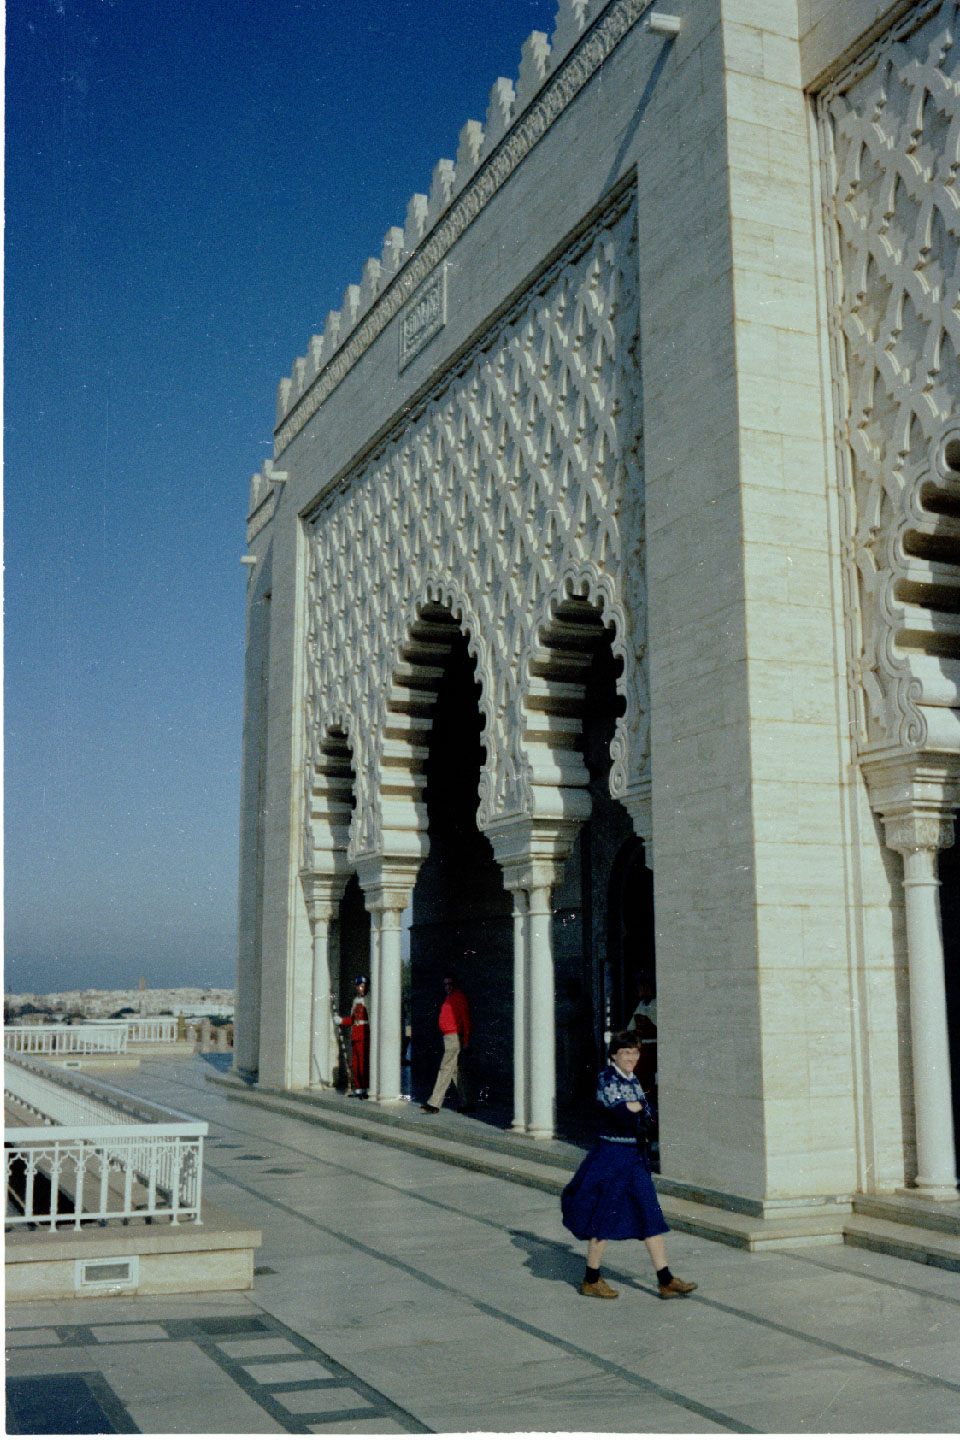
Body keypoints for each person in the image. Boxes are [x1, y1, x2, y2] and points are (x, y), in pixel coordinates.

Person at [561, 1030, 696, 1300]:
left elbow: (650, 1111)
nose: (631, 1058)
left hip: (634, 1156)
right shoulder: (606, 1078)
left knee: (649, 1212)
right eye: (626, 1053)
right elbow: (622, 1116)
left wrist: (637, 1107)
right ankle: (591, 1278)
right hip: (611, 1155)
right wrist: (637, 1108)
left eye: (635, 1052)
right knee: (605, 1212)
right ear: (614, 1055)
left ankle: (665, 1279)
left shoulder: (633, 1080)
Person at [421, 973, 473, 1114]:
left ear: (455, 984)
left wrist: (466, 1040)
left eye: (450, 984)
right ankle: (467, 1103)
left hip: (454, 1038)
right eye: (445, 984)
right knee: (456, 1072)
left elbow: (466, 1019)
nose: (447, 987)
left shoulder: (459, 997)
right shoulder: (448, 998)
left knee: (445, 1069)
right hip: (448, 1038)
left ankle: (434, 1103)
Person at [338, 976, 370, 1097]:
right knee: (355, 1063)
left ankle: (365, 1087)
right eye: (360, 986)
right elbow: (352, 1020)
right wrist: (341, 1020)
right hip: (355, 1035)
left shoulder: (367, 1000)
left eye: (363, 986)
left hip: (364, 1034)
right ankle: (359, 1087)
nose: (361, 989)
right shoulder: (355, 1001)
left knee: (363, 1064)